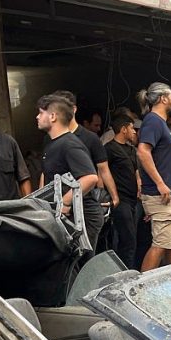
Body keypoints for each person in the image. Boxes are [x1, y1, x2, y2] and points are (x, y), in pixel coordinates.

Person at [53, 91, 118, 241]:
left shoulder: (90, 138)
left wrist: (114, 197)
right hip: (58, 203)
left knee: (86, 251)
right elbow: (47, 170)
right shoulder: (50, 137)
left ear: (73, 109)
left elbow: (103, 169)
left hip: (85, 202)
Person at [135, 82, 171, 272]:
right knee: (161, 244)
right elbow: (143, 152)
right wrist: (160, 183)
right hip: (161, 194)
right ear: (163, 98)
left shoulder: (158, 123)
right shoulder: (153, 121)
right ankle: (141, 287)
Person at [36, 94, 99, 231]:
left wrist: (65, 202)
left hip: (80, 217)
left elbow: (90, 177)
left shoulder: (69, 144)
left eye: (41, 113)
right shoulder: (52, 143)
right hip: (62, 216)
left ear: (53, 117)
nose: (37, 117)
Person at [104, 114, 140, 267]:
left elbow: (136, 170)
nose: (134, 132)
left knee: (132, 239)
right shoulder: (109, 149)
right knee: (128, 240)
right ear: (123, 129)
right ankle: (125, 274)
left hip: (134, 200)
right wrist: (111, 196)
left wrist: (139, 184)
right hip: (121, 200)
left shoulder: (131, 149)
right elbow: (102, 172)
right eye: (132, 128)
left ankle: (126, 269)